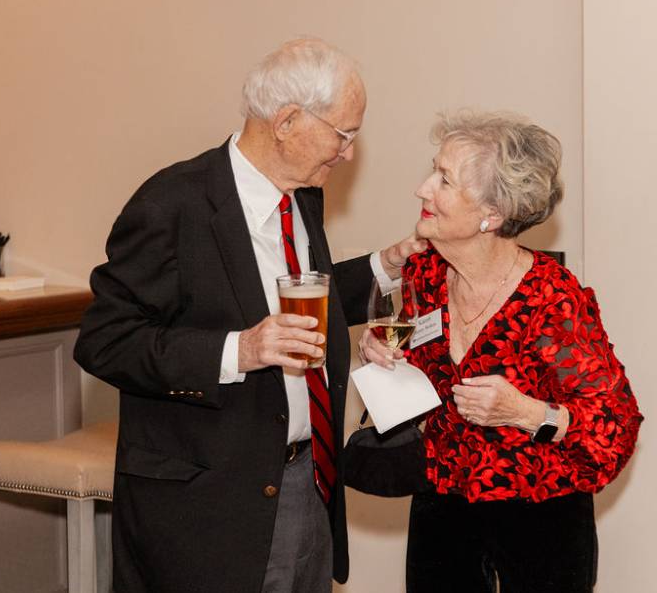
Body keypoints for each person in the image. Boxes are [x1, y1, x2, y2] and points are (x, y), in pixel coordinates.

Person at [74, 38, 424, 593]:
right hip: (212, 510)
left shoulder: (302, 195)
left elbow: (300, 299)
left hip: (311, 482)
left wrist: (384, 267)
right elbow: (104, 341)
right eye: (343, 134)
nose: (349, 153)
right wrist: (240, 350)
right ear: (286, 121)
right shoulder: (172, 204)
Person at [360, 110, 643, 593]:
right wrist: (384, 347)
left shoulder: (552, 300)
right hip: (443, 503)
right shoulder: (425, 274)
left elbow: (615, 427)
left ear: (491, 214)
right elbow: (426, 350)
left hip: (539, 515)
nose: (422, 188)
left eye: (444, 180)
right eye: (434, 170)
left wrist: (526, 412)